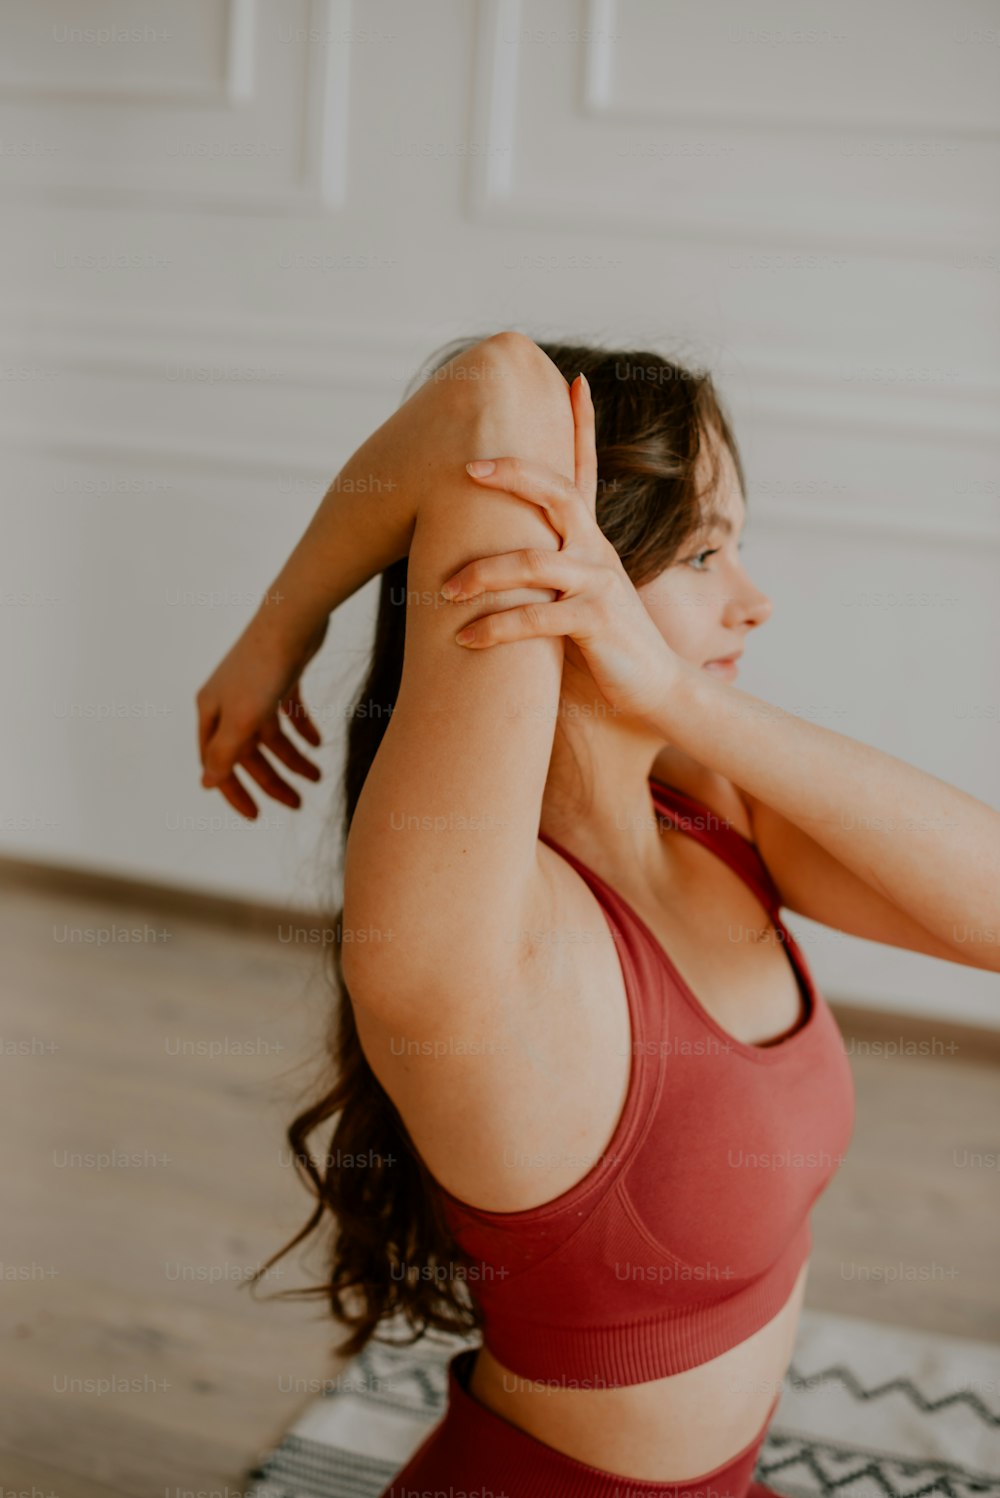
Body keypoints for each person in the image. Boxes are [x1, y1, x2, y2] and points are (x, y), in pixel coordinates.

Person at [196, 332, 1000, 1495]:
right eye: (703, 553)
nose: (753, 600)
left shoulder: (710, 816)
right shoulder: (474, 933)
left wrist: (675, 694)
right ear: (583, 571)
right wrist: (282, 622)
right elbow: (493, 388)